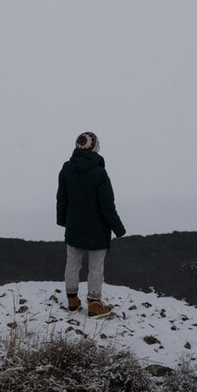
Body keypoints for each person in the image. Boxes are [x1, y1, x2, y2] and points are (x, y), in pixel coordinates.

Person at [56, 131, 126, 317]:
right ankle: (94, 304)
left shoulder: (66, 169)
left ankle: (72, 300)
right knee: (96, 267)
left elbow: (61, 199)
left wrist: (62, 221)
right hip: (97, 230)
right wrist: (119, 229)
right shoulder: (99, 173)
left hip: (74, 227)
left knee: (72, 264)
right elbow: (107, 206)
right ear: (94, 147)